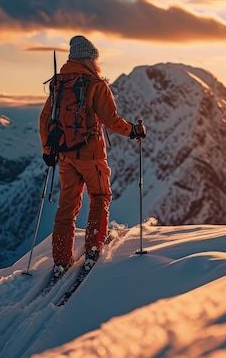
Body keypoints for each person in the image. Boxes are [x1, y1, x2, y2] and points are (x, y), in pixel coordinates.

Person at [39, 35, 146, 277]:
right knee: (99, 196)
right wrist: (134, 132)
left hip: (65, 155)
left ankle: (61, 259)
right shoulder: (96, 84)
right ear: (90, 59)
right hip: (91, 153)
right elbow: (112, 120)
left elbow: (45, 120)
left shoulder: (58, 84)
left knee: (68, 205)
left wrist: (48, 151)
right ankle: (94, 248)